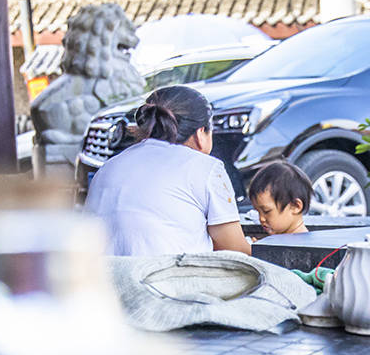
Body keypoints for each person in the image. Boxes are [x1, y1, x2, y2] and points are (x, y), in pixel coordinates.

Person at [85, 85, 250, 256]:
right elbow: (235, 252)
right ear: (201, 133)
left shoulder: (107, 167)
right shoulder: (206, 167)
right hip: (168, 280)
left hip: (105, 279)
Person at [249, 160, 311, 238]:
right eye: (258, 211)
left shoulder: (300, 247)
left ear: (295, 206)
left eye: (266, 211)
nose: (261, 219)